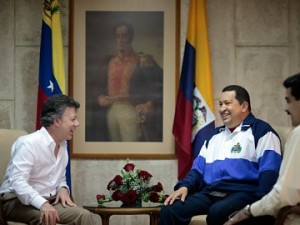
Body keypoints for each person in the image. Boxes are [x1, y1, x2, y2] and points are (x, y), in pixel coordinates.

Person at [159, 85, 282, 225]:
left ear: (244, 106)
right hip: (211, 193)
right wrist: (185, 186)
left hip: (244, 193)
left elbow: (270, 172)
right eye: (220, 104)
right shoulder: (213, 136)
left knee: (217, 212)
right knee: (170, 210)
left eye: (227, 103)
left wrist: (261, 207)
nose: (222, 109)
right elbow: (197, 170)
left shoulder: (262, 132)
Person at [0, 95, 102, 225]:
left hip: (48, 198)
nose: (77, 123)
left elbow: (59, 177)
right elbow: (18, 182)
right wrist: (42, 204)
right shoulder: (28, 143)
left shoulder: (63, 143)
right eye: (73, 119)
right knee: (47, 219)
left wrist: (63, 188)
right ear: (57, 121)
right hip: (16, 201)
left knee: (84, 216)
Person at [224, 73, 300, 225]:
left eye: (288, 101)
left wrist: (248, 211)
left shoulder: (287, 133)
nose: (286, 109)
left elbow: (284, 195)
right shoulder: (216, 135)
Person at [87, 21, 163, 142]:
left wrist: (149, 104)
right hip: (110, 111)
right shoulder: (108, 61)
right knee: (114, 151)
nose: (121, 40)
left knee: (130, 150)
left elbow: (159, 85)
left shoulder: (142, 60)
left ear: (131, 37)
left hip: (130, 111)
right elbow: (95, 86)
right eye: (118, 36)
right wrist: (99, 97)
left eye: (124, 36)